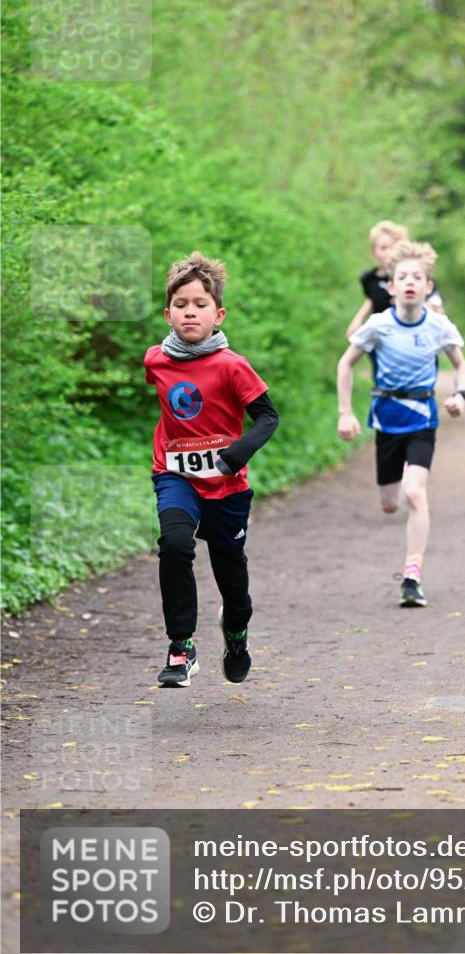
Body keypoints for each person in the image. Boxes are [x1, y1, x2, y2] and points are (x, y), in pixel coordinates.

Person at [145, 251, 279, 687]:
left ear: (217, 313)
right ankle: (180, 648)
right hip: (175, 474)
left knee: (232, 581)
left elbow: (267, 418)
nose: (190, 312)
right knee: (175, 542)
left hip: (226, 484)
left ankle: (236, 635)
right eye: (181, 305)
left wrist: (236, 454)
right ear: (168, 313)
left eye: (199, 304)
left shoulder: (232, 365)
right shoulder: (156, 361)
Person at [337, 240, 465, 608]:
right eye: (402, 277)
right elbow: (345, 364)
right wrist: (345, 412)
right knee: (390, 503)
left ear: (428, 287)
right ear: (391, 287)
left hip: (423, 418)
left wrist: (461, 395)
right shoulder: (378, 326)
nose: (410, 282)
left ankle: (412, 575)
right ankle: (406, 545)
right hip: (386, 420)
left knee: (415, 492)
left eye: (418, 277)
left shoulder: (439, 326)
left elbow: (461, 365)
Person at [346, 220, 444, 338]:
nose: (389, 252)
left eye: (393, 247)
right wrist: (359, 321)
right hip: (383, 338)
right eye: (383, 248)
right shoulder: (369, 279)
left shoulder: (412, 278)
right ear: (373, 252)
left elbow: (437, 308)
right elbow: (371, 301)